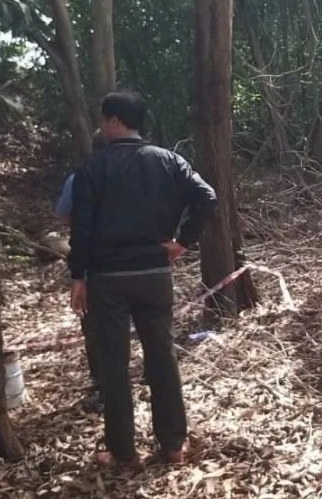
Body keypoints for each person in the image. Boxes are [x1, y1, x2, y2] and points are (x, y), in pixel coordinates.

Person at [68, 90, 217, 469]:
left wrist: (78, 276)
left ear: (115, 120)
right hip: (154, 274)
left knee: (114, 364)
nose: (101, 127)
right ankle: (172, 446)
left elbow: (81, 229)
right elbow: (206, 197)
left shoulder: (91, 169)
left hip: (108, 279)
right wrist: (182, 242)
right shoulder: (168, 160)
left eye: (103, 120)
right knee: (162, 359)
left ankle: (123, 453)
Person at [56, 131, 107, 410]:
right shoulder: (132, 176)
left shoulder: (78, 179)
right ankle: (149, 374)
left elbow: (63, 213)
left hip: (90, 264)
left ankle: (103, 386)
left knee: (94, 327)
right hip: (131, 262)